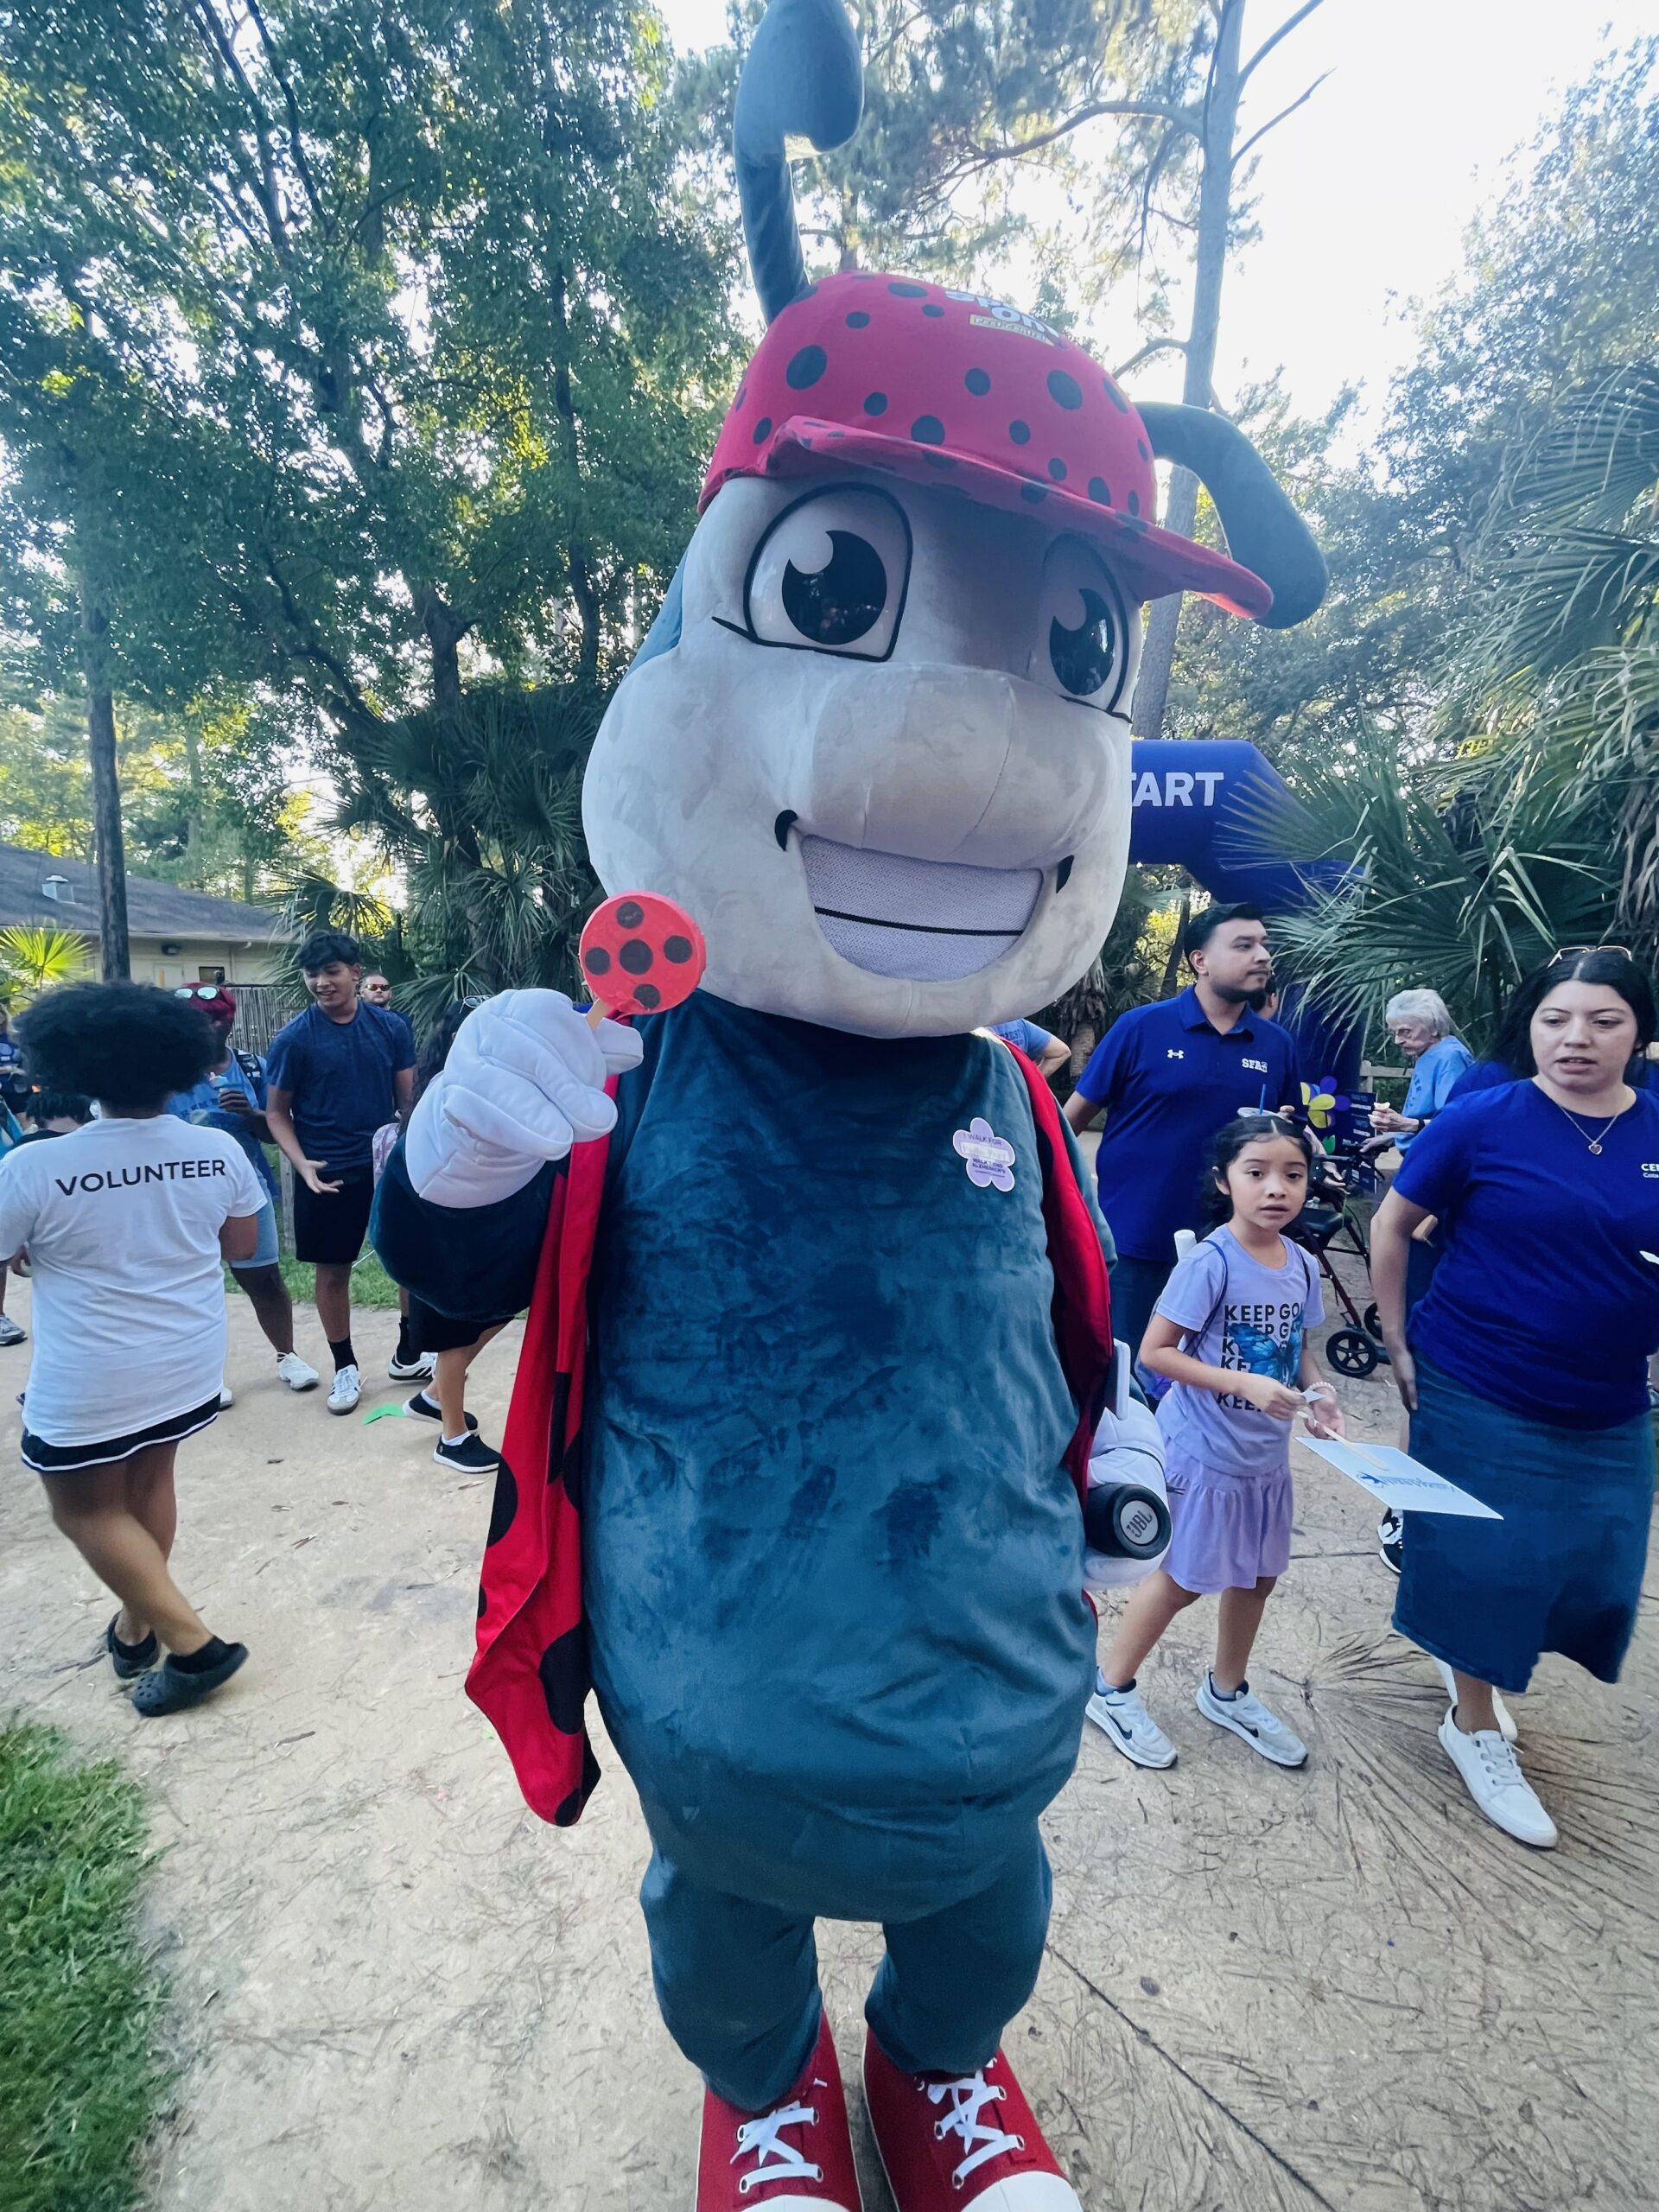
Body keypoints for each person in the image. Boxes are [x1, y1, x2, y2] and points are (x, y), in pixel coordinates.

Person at [1370, 948, 1659, 1850]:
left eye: (1602, 1020)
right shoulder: (1485, 1118)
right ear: (1529, 1025)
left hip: (1610, 1395)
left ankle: (1483, 1672)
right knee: (1483, 1564)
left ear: (1639, 1031)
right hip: (1478, 1378)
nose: (1576, 1037)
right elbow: (1392, 1223)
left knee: (1594, 1564)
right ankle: (1474, 1721)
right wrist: (1398, 1340)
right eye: (1555, 1018)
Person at [0, 984, 263, 1715]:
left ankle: (193, 1645)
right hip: (187, 1355)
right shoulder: (215, 1148)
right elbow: (239, 1247)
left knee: (83, 1510)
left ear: (74, 1067)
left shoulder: (32, 1165)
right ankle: (136, 1623)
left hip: (93, 1367)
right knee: (149, 1483)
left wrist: (42, 1252)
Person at [1089, 1116, 1344, 1771]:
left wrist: (1319, 1396)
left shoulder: (1303, 1265)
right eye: (1256, 1173)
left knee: (1258, 1577)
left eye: (1292, 1174)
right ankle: (1110, 1690)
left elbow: (1299, 1351)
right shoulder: (1211, 1261)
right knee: (1181, 1579)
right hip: (1204, 1451)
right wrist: (1245, 1384)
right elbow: (1155, 1354)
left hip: (1263, 1456)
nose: (1275, 1189)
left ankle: (1226, 1691)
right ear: (1223, 1181)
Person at [1065, 903, 1302, 1360]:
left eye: (1265, 946)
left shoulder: (1277, 1046)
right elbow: (1068, 1121)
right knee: (1122, 1383)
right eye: (1244, 945)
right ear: (1200, 960)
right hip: (1135, 1243)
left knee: (1207, 1380)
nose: (1262, 957)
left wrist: (1288, 1132)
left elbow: (1291, 1142)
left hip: (1232, 1250)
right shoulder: (1142, 1028)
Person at [264, 931, 429, 1414]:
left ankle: (408, 1352)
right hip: (327, 1171)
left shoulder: (391, 1028)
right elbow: (276, 1114)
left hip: (384, 1165)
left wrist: (416, 1151)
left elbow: (407, 1102)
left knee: (405, 1260)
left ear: (355, 972)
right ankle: (345, 1367)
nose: (321, 982)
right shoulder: (295, 1039)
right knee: (333, 1271)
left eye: (331, 971)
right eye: (312, 974)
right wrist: (301, 1164)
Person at [167, 986, 320, 1400]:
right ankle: (203, 1375)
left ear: (229, 1021)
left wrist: (250, 1114)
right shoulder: (162, 1075)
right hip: (178, 1196)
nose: (208, 1025)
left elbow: (278, 1134)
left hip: (245, 1189)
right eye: (198, 1017)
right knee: (192, 1284)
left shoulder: (253, 1068)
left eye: (215, 1017)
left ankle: (287, 1355)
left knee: (265, 1276)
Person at [387, 1001, 512, 1472]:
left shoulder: (458, 1084)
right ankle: (452, 1437)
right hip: (443, 1232)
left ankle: (435, 1396)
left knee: (496, 1311)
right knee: (454, 1332)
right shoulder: (451, 1090)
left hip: (459, 1227)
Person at [1366, 989, 1473, 1152]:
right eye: (1394, 1033)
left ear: (1434, 1028)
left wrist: (1404, 1124)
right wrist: (1392, 1136)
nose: (1397, 1041)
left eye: (1405, 1032)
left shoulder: (1448, 1057)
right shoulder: (1427, 1054)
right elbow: (1426, 1116)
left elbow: (1455, 1123)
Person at [988, 1017, 1069, 1078]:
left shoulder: (979, 1028)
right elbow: (1061, 1052)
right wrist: (1030, 1083)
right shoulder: (1017, 1024)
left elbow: (1062, 1052)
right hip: (1018, 1095)